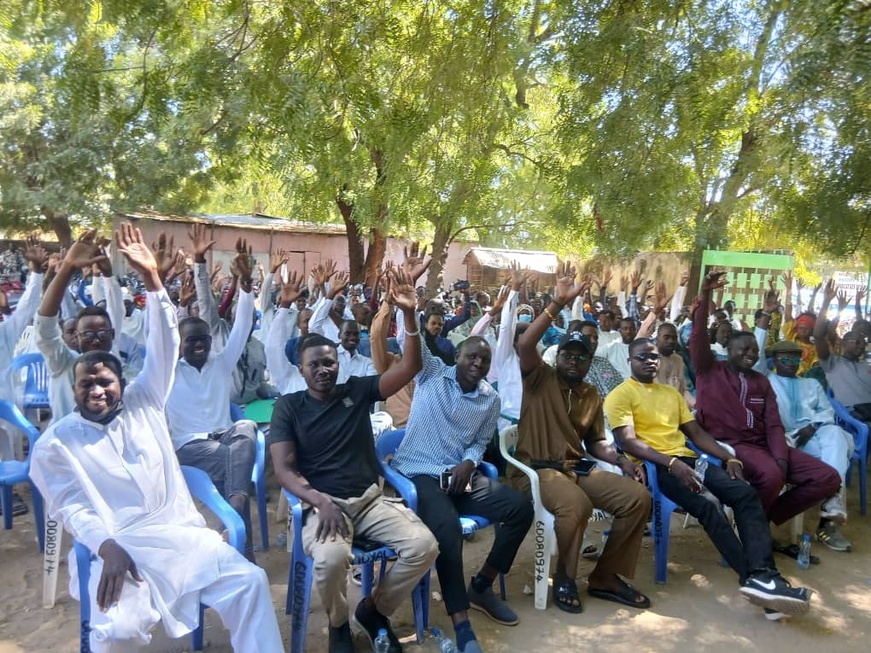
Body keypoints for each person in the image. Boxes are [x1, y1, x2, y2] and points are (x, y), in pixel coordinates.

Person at [30, 224, 283, 653]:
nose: (97, 389)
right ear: (72, 389)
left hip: (178, 536)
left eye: (105, 380)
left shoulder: (144, 399)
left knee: (250, 582)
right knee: (120, 630)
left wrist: (152, 280)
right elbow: (72, 504)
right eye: (86, 383)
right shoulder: (57, 443)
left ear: (120, 381)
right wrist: (107, 546)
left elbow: (165, 342)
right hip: (115, 547)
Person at [269, 269, 438, 653]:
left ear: (339, 363)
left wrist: (409, 316)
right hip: (324, 506)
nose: (324, 370)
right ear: (302, 369)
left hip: (369, 501)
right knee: (329, 562)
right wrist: (320, 501)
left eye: (329, 363)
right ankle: (339, 623)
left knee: (424, 546)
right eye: (315, 365)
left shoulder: (358, 391)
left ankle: (373, 610)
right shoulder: (289, 407)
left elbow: (409, 368)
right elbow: (283, 468)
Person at [605, 338, 813, 620]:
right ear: (630, 360)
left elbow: (698, 434)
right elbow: (628, 442)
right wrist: (672, 463)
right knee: (710, 505)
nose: (649, 361)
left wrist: (729, 457)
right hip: (658, 468)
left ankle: (764, 576)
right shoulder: (620, 395)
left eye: (653, 357)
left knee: (746, 494)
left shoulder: (670, 393)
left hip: (690, 461)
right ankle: (755, 579)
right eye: (642, 357)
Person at [510, 262, 651, 614]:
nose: (574, 360)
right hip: (535, 472)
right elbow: (526, 342)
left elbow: (596, 443)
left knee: (638, 497)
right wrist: (557, 302)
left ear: (590, 363)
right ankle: (566, 576)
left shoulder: (590, 394)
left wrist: (620, 459)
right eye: (568, 355)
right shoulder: (539, 378)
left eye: (581, 357)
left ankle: (606, 576)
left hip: (576, 468)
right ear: (558, 358)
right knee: (577, 505)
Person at [390, 335, 534, 653]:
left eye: (484, 360)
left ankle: (481, 585)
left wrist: (469, 463)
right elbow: (407, 338)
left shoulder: (490, 399)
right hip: (419, 473)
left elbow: (481, 440)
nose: (477, 364)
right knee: (448, 527)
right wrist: (407, 309)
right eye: (471, 357)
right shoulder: (431, 372)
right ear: (458, 355)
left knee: (521, 508)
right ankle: (461, 622)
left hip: (457, 476)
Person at [691, 270, 840, 526]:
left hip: (766, 445)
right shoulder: (709, 370)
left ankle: (764, 518)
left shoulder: (761, 381)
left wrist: (781, 458)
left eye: (755, 350)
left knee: (827, 477)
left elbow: (773, 424)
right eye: (744, 349)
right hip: (730, 445)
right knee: (771, 476)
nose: (751, 354)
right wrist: (705, 293)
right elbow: (698, 337)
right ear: (729, 349)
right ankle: (754, 527)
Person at [165, 242, 258, 561]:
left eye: (205, 339)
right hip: (188, 446)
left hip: (225, 436)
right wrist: (174, 297)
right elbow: (163, 335)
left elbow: (243, 326)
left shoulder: (221, 361)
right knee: (231, 459)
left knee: (246, 425)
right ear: (181, 344)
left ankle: (233, 511)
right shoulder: (168, 372)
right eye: (192, 340)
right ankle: (241, 542)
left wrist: (246, 287)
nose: (201, 345)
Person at [767, 339, 854, 552]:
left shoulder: (811, 384)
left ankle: (832, 506)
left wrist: (812, 426)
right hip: (787, 440)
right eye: (785, 358)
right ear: (774, 361)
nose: (791, 362)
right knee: (839, 451)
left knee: (835, 434)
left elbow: (827, 411)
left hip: (816, 435)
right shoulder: (766, 381)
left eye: (796, 358)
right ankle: (830, 516)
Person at [814, 279, 871, 413]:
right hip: (854, 416)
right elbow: (818, 335)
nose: (861, 346)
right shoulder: (832, 363)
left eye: (863, 343)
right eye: (856, 342)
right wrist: (826, 301)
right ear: (844, 343)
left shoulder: (866, 365)